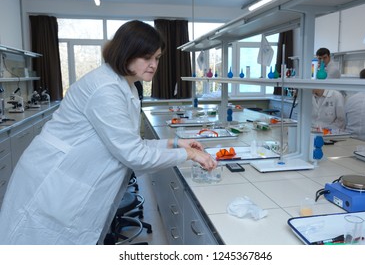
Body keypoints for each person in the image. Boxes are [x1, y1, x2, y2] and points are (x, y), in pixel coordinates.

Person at [0, 20, 217, 245]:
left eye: (157, 58)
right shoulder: (106, 89)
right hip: (53, 184)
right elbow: (134, 155)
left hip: (70, 182)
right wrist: (189, 155)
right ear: (127, 53)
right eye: (147, 57)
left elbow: (131, 143)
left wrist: (175, 144)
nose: (153, 64)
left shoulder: (125, 85)